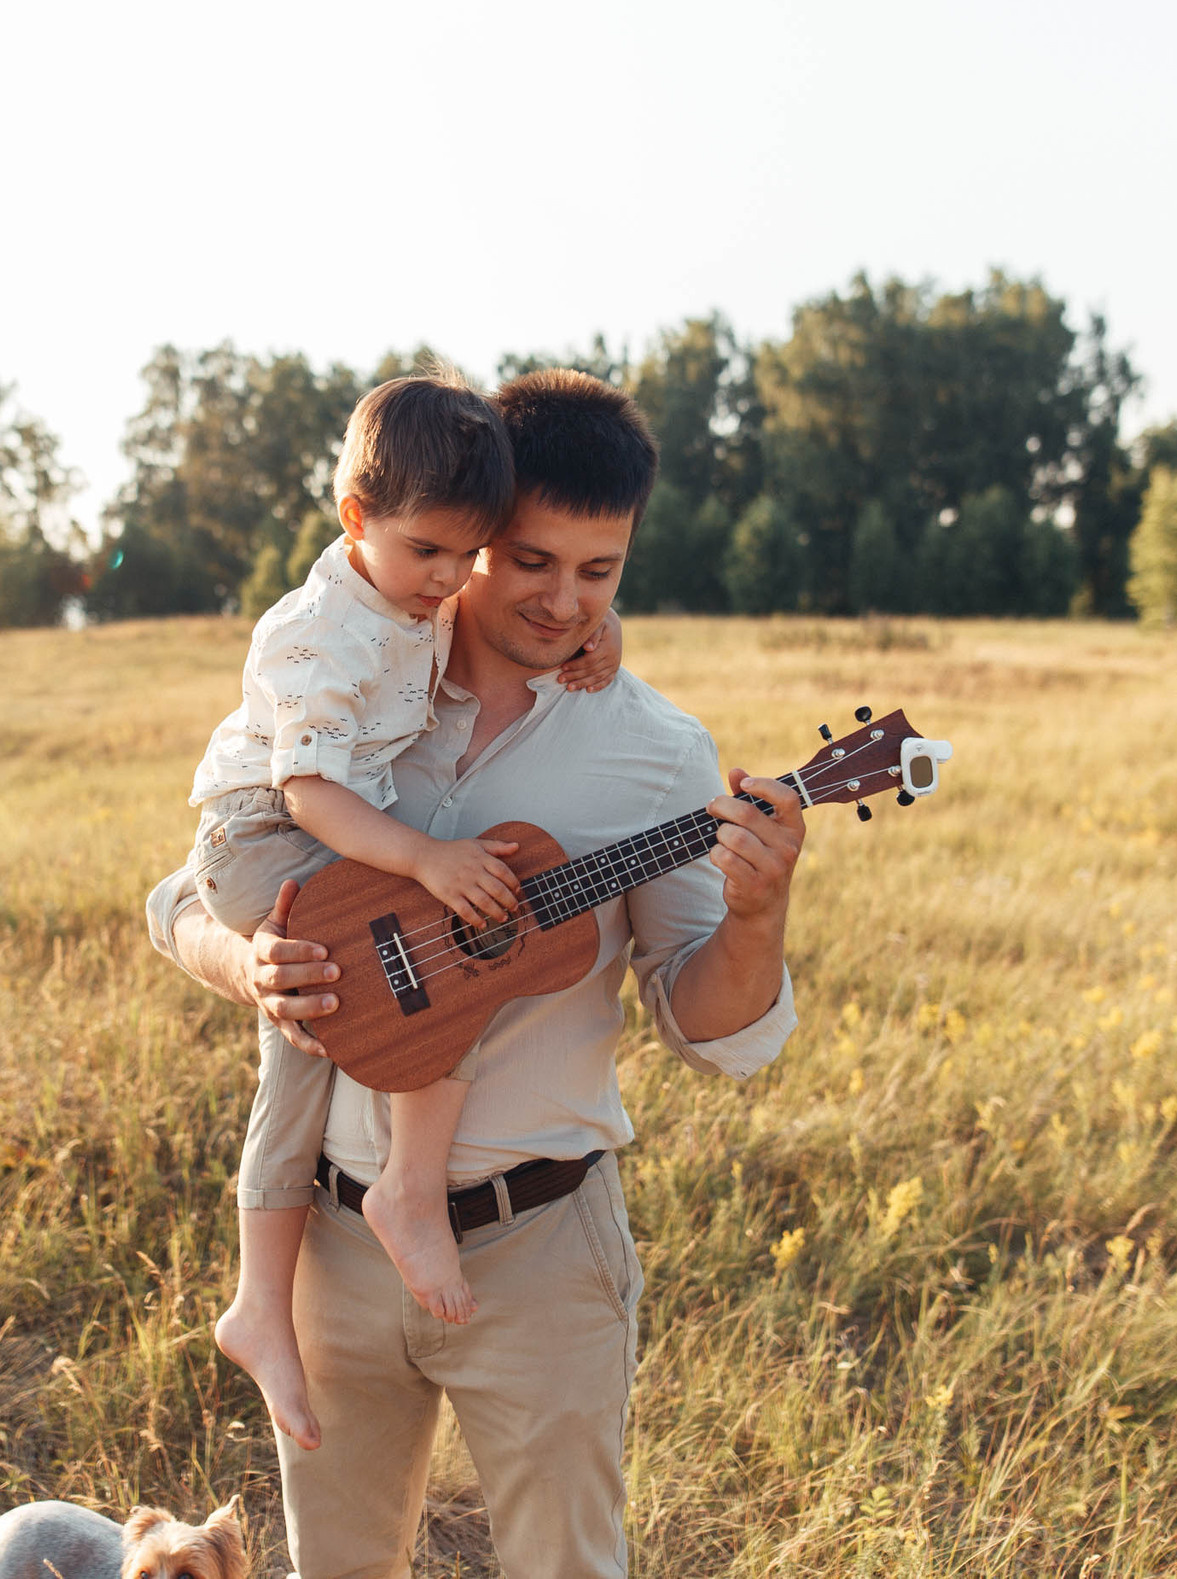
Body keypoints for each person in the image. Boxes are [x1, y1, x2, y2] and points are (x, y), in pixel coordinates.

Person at [147, 368, 804, 1579]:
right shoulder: (358, 669)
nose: (562, 602)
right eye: (531, 561)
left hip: (538, 1249)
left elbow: (712, 1030)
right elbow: (178, 896)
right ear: (470, 536)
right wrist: (251, 968)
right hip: (332, 1243)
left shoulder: (656, 755)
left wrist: (757, 917)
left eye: (598, 574)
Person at [192, 370, 621, 1460]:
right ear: (355, 520)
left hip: (330, 834)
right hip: (264, 836)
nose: (449, 580)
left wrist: (598, 636)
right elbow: (308, 793)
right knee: (434, 971)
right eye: (430, 552)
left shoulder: (410, 594)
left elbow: (539, 616)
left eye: (467, 556)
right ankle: (405, 1198)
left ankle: (263, 1300)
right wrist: (425, 861)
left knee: (319, 1043)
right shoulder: (313, 637)